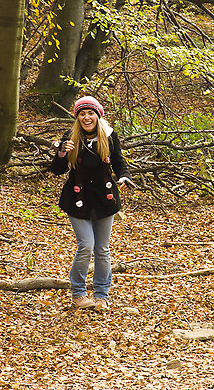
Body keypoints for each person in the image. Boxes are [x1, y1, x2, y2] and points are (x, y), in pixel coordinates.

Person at [51, 96, 134, 310]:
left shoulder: (109, 135)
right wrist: (62, 152)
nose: (86, 117)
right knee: (86, 245)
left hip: (104, 198)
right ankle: (78, 293)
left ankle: (101, 296)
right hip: (77, 198)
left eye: (90, 113)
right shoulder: (71, 137)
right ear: (77, 117)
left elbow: (119, 162)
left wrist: (124, 177)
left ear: (98, 115)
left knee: (102, 249)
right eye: (82, 114)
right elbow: (57, 170)